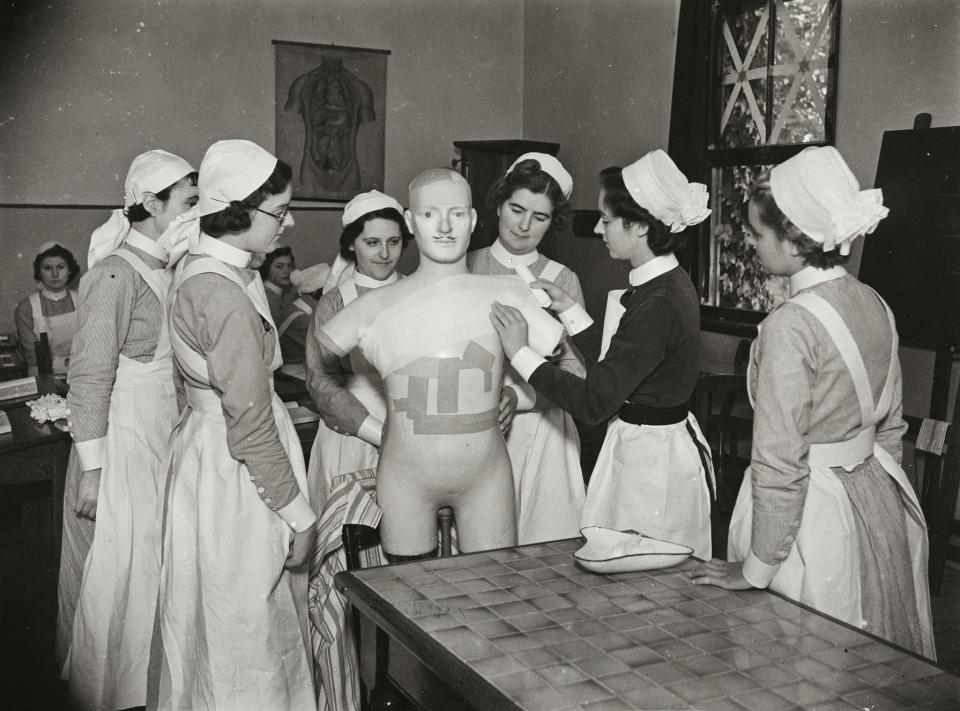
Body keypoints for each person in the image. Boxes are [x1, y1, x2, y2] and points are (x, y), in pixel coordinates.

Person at [690, 146, 936, 657]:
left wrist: (756, 569)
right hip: (872, 495)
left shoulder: (791, 324)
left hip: (812, 514)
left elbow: (779, 459)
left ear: (795, 241)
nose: (751, 243)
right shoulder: (872, 300)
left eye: (757, 234)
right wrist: (878, 501)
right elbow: (890, 425)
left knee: (801, 657)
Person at [310, 168, 562, 559]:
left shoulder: (512, 293)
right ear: (411, 221)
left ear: (475, 219)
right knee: (409, 602)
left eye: (457, 214)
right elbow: (319, 371)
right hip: (404, 477)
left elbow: (568, 375)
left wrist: (516, 393)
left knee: (493, 596)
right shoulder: (371, 307)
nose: (444, 227)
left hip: (487, 476)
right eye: (429, 215)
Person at [151, 139, 316, 710]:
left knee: (213, 610)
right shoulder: (221, 295)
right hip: (238, 471)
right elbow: (249, 427)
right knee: (248, 616)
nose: (288, 222)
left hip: (206, 456)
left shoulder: (200, 267)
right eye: (279, 210)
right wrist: (299, 516)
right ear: (240, 210)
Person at [490, 149, 714, 560]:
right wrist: (569, 309)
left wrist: (520, 353)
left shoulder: (659, 301)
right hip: (645, 448)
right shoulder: (661, 284)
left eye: (607, 220)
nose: (598, 228)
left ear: (641, 226)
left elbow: (593, 401)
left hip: (651, 466)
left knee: (645, 579)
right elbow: (620, 357)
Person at [61, 149, 198, 709]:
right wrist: (93, 471)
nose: (196, 213)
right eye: (189, 204)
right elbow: (90, 376)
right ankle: (109, 691)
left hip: (159, 430)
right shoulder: (114, 274)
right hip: (119, 441)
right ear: (149, 203)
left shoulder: (170, 269)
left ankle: (146, 684)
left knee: (154, 561)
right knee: (119, 569)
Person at [467, 153, 588, 543]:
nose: (523, 225)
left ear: (554, 222)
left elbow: (576, 376)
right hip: (472, 430)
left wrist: (515, 397)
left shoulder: (561, 279)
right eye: (516, 209)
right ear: (499, 205)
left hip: (543, 433)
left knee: (542, 552)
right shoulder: (464, 268)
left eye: (540, 217)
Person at [305, 189, 410, 511]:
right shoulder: (336, 302)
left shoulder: (418, 292)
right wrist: (380, 434)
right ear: (351, 243)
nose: (384, 254)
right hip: (353, 433)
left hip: (411, 428)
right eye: (372, 243)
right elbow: (320, 381)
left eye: (393, 242)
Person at [14, 242, 81, 377]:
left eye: (60, 267)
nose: (55, 274)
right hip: (43, 378)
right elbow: (33, 356)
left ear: (69, 269)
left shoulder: (83, 300)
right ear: (39, 272)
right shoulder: (27, 307)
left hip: (80, 374)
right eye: (47, 268)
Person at [261, 245, 296, 326]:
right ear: (267, 268)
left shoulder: (275, 295)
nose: (287, 271)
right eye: (279, 266)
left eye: (290, 266)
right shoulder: (267, 298)